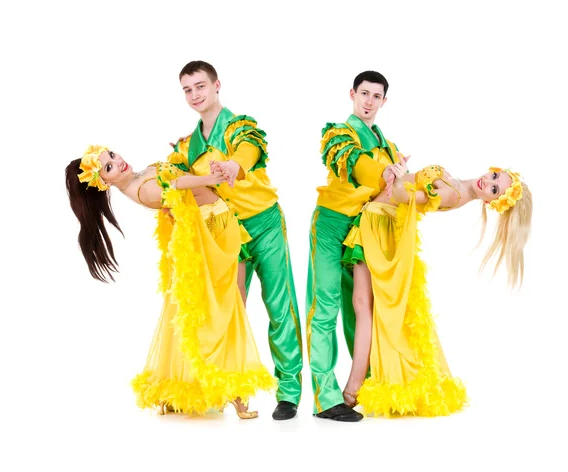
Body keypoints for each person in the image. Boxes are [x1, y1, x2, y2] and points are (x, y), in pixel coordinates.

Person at [65, 145, 276, 419]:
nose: (118, 162)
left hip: (216, 222)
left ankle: (210, 385)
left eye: (112, 156)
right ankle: (230, 389)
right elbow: (178, 184)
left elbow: (174, 176)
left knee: (229, 304)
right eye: (108, 168)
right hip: (211, 231)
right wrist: (210, 180)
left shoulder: (137, 177)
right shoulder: (143, 190)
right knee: (227, 307)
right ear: (103, 183)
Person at [341, 161, 532, 417]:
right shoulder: (459, 186)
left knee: (364, 306)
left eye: (495, 189)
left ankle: (352, 390)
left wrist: (396, 178)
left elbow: (402, 196)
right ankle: (353, 388)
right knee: (363, 305)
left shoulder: (454, 194)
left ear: (491, 202)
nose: (488, 181)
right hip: (376, 220)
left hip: (378, 224)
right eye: (494, 175)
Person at [170, 60, 303, 420]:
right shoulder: (187, 147)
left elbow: (249, 151)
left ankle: (288, 391)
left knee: (280, 305)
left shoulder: (239, 125)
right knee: (228, 313)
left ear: (216, 86)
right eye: (187, 89)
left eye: (200, 86)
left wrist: (234, 167)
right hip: (227, 235)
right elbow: (174, 182)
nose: (194, 95)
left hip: (264, 224)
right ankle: (224, 387)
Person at [306, 70, 405, 421]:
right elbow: (355, 165)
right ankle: (326, 398)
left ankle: (364, 385)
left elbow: (397, 188)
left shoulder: (387, 145)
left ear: (383, 101)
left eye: (376, 97)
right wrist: (387, 173)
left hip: (364, 232)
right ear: (352, 94)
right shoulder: (338, 132)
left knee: (361, 309)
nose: (368, 102)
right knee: (326, 306)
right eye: (363, 93)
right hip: (333, 224)